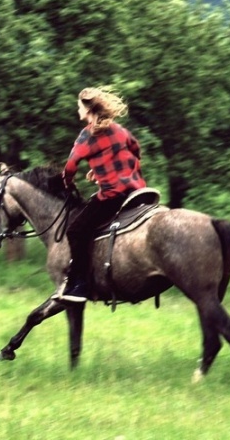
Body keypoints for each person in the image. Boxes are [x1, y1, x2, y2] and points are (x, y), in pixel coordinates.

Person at [59, 87, 146, 303]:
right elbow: (136, 149)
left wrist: (67, 183)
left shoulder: (87, 135)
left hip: (112, 196)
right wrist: (103, 169)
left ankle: (79, 284)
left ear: (88, 109)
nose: (77, 110)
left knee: (75, 231)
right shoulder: (120, 130)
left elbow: (70, 166)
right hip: (137, 191)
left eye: (79, 106)